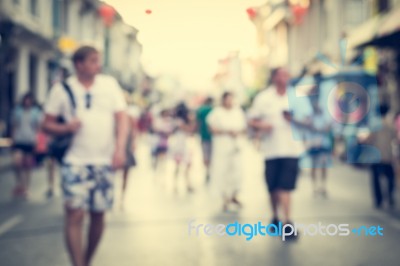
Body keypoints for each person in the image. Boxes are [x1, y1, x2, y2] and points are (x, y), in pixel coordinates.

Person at [42, 45, 128, 266]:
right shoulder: (62, 89)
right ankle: (77, 263)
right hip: (74, 161)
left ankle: (87, 260)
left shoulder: (109, 85)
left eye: (98, 60)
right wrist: (66, 128)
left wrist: (119, 149)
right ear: (79, 64)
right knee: (75, 215)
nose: (98, 65)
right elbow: (46, 124)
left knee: (99, 215)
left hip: (104, 162)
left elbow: (122, 118)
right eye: (93, 61)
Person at [249, 67, 306, 241]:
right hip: (271, 151)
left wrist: (293, 119)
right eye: (280, 75)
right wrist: (262, 126)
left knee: (286, 187)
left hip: (291, 149)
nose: (284, 78)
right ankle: (275, 218)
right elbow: (251, 120)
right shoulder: (263, 98)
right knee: (273, 188)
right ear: (273, 77)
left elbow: (309, 121)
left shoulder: (297, 97)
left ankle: (287, 222)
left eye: (286, 74)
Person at [207, 92, 247, 211]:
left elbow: (244, 128)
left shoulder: (238, 112)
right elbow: (212, 128)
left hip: (236, 147)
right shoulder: (216, 113)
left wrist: (237, 132)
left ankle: (234, 196)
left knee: (236, 172)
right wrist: (227, 132)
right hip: (222, 147)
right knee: (222, 172)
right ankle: (225, 198)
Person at [363, 104, 397, 209]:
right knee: (390, 177)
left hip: (376, 157)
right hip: (387, 156)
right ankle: (390, 197)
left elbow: (369, 140)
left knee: (376, 180)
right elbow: (395, 138)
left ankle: (379, 200)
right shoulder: (390, 125)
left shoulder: (375, 125)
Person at [11, 93, 42, 199]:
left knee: (28, 165)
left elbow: (38, 127)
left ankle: (27, 187)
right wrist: (13, 138)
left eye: (29, 100)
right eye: (26, 100)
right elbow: (15, 125)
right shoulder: (18, 111)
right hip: (19, 140)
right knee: (17, 162)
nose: (27, 102)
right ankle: (20, 184)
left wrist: (38, 141)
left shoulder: (36, 112)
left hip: (30, 140)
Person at [305, 95, 333, 197]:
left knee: (324, 166)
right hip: (313, 144)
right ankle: (314, 187)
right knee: (313, 166)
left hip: (324, 144)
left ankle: (323, 186)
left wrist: (320, 129)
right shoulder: (310, 115)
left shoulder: (325, 115)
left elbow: (328, 127)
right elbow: (308, 126)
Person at [170, 103, 196, 193]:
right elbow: (189, 129)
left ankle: (183, 184)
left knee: (184, 165)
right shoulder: (179, 121)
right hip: (181, 145)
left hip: (182, 144)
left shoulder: (177, 120)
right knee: (181, 165)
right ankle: (179, 184)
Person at [120, 100, 140, 209]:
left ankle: (122, 197)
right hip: (114, 146)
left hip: (126, 147)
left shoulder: (129, 117)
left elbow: (134, 131)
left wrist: (133, 144)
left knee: (125, 173)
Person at [196, 97, 213, 183]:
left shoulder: (201, 110)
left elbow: (197, 123)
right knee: (212, 154)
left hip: (204, 136)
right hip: (212, 137)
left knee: (206, 155)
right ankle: (211, 171)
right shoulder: (214, 110)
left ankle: (207, 171)